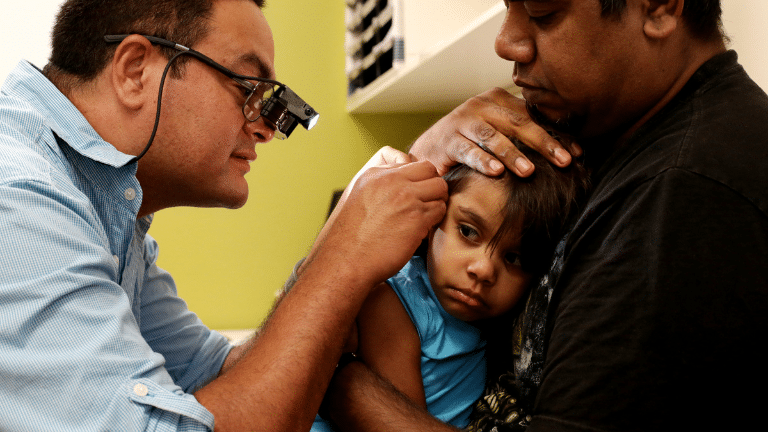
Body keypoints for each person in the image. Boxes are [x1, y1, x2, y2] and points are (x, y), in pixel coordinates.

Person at [0, 0, 451, 430]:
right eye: (249, 89)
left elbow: (212, 371)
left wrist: (336, 247)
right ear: (135, 71)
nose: (266, 128)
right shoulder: (19, 198)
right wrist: (343, 260)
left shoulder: (107, 208)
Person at [321, 1, 768, 431]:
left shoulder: (684, 192)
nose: (506, 41)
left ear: (659, 6)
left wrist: (334, 373)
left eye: (542, 12)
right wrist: (425, 158)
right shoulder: (611, 154)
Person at [311, 147, 588, 431]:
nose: (482, 270)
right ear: (432, 221)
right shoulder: (391, 301)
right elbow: (396, 422)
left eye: (514, 258)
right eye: (468, 231)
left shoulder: (498, 322)